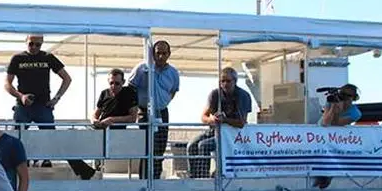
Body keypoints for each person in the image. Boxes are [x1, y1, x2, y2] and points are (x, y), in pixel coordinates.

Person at [4, 34, 90, 177]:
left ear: (42, 44)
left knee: (53, 137)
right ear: (26, 42)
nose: (34, 47)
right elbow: (7, 84)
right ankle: (11, 167)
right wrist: (21, 96)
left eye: (38, 45)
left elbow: (67, 79)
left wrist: (57, 98)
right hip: (23, 106)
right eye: (31, 44)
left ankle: (80, 169)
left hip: (43, 106)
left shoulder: (48, 57)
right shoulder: (18, 59)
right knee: (16, 138)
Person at [128, 40, 181, 179]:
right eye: (158, 53)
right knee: (147, 147)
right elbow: (131, 87)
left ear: (169, 54)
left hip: (162, 111)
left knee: (159, 147)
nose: (161, 56)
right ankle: (144, 180)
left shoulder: (173, 73)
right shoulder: (142, 68)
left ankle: (156, 180)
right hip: (144, 111)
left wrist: (164, 101)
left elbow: (173, 90)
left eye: (164, 53)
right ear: (153, 54)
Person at [72, 69, 140, 178]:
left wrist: (111, 120)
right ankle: (86, 171)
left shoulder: (129, 93)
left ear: (123, 82)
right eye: (111, 83)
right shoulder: (104, 93)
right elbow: (95, 114)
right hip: (99, 130)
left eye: (117, 83)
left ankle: (90, 172)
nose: (114, 86)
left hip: (115, 135)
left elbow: (132, 118)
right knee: (69, 142)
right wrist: (94, 120)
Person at [187, 67, 253, 179]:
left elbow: (242, 123)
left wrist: (225, 120)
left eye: (228, 81)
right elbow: (203, 116)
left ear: (235, 81)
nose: (225, 84)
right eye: (222, 81)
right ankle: (194, 177)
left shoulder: (242, 96)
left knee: (203, 146)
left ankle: (204, 178)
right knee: (191, 146)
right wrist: (212, 119)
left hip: (232, 135)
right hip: (215, 132)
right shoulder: (215, 94)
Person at [313, 84, 363, 190]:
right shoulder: (331, 102)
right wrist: (332, 107)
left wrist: (337, 112)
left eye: (350, 98)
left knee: (332, 156)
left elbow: (336, 123)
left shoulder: (356, 113)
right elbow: (325, 122)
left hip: (337, 138)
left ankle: (327, 176)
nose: (347, 101)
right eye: (344, 97)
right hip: (321, 134)